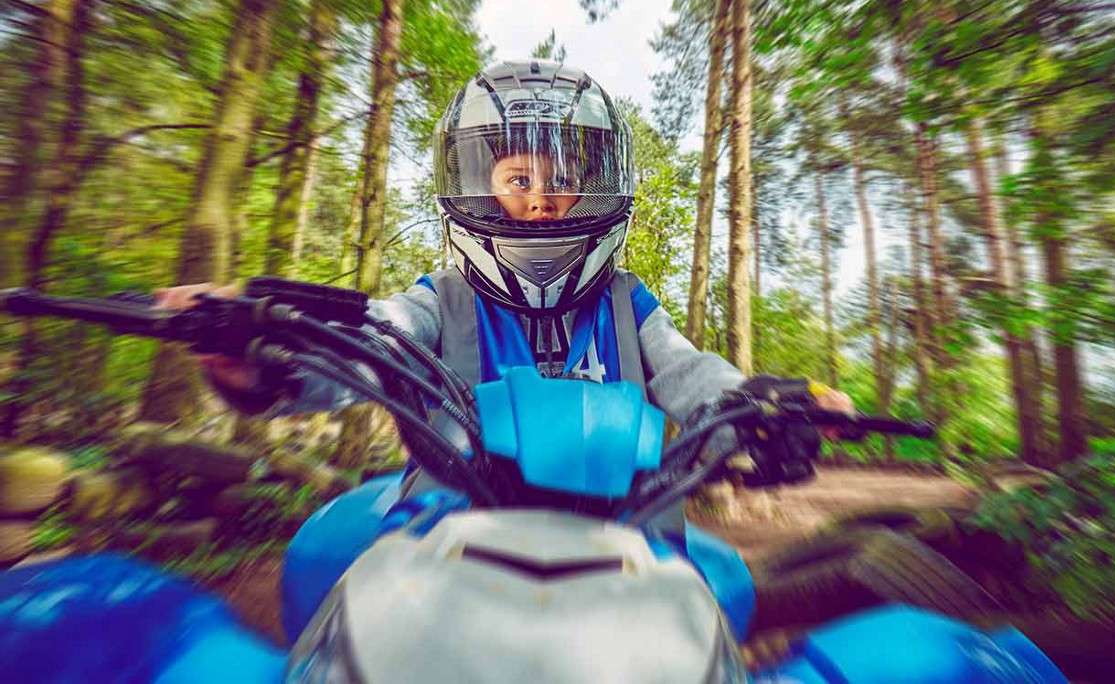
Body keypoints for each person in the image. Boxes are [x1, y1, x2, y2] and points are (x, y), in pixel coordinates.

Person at [157, 60, 853, 522]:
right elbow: (377, 336)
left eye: (561, 181)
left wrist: (759, 405)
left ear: (593, 188)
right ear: (480, 186)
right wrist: (265, 353)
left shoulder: (627, 301)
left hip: (623, 535)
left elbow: (689, 370)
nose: (541, 199)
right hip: (449, 540)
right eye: (518, 180)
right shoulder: (442, 297)